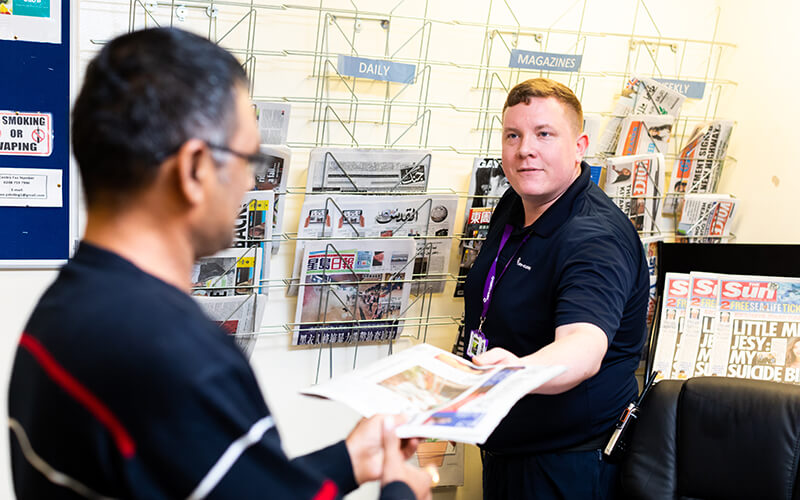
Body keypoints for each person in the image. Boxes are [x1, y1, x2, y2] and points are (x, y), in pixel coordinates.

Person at [7, 27, 431, 500]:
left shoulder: (66, 308)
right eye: (247, 157)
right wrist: (402, 492)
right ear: (193, 170)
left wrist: (348, 460)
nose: (251, 183)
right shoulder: (175, 353)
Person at [462, 78, 648, 499]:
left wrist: (513, 373)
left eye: (545, 134)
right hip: (509, 451)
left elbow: (582, 347)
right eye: (514, 135)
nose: (525, 148)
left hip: (566, 467)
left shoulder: (594, 237)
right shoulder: (517, 203)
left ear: (580, 145)